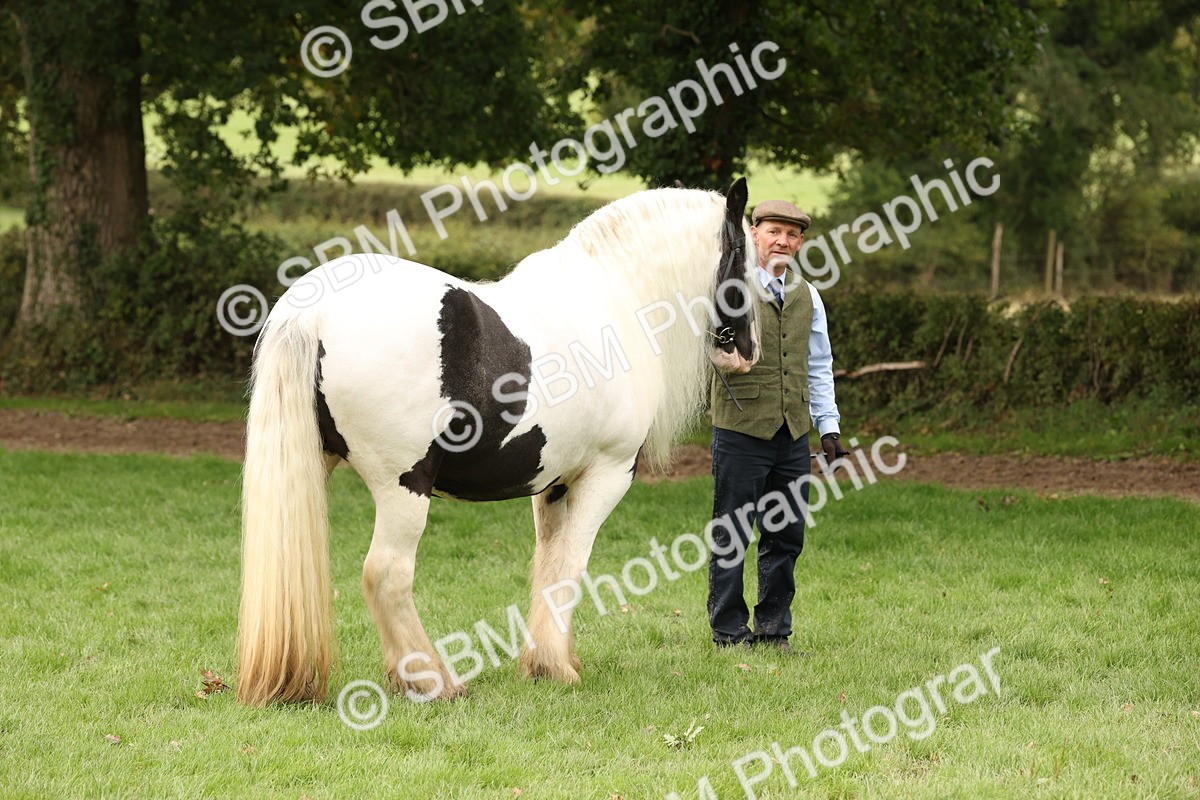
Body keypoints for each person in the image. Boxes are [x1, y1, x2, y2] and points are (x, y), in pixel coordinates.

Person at [707, 198, 847, 654]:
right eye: (774, 231)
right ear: (754, 234)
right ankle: (728, 632)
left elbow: (819, 364)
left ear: (800, 242)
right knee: (732, 532)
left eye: (792, 234)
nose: (782, 241)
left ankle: (773, 629)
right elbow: (705, 350)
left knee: (785, 534)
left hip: (792, 435)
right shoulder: (729, 290)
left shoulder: (809, 295)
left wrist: (828, 427)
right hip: (740, 430)